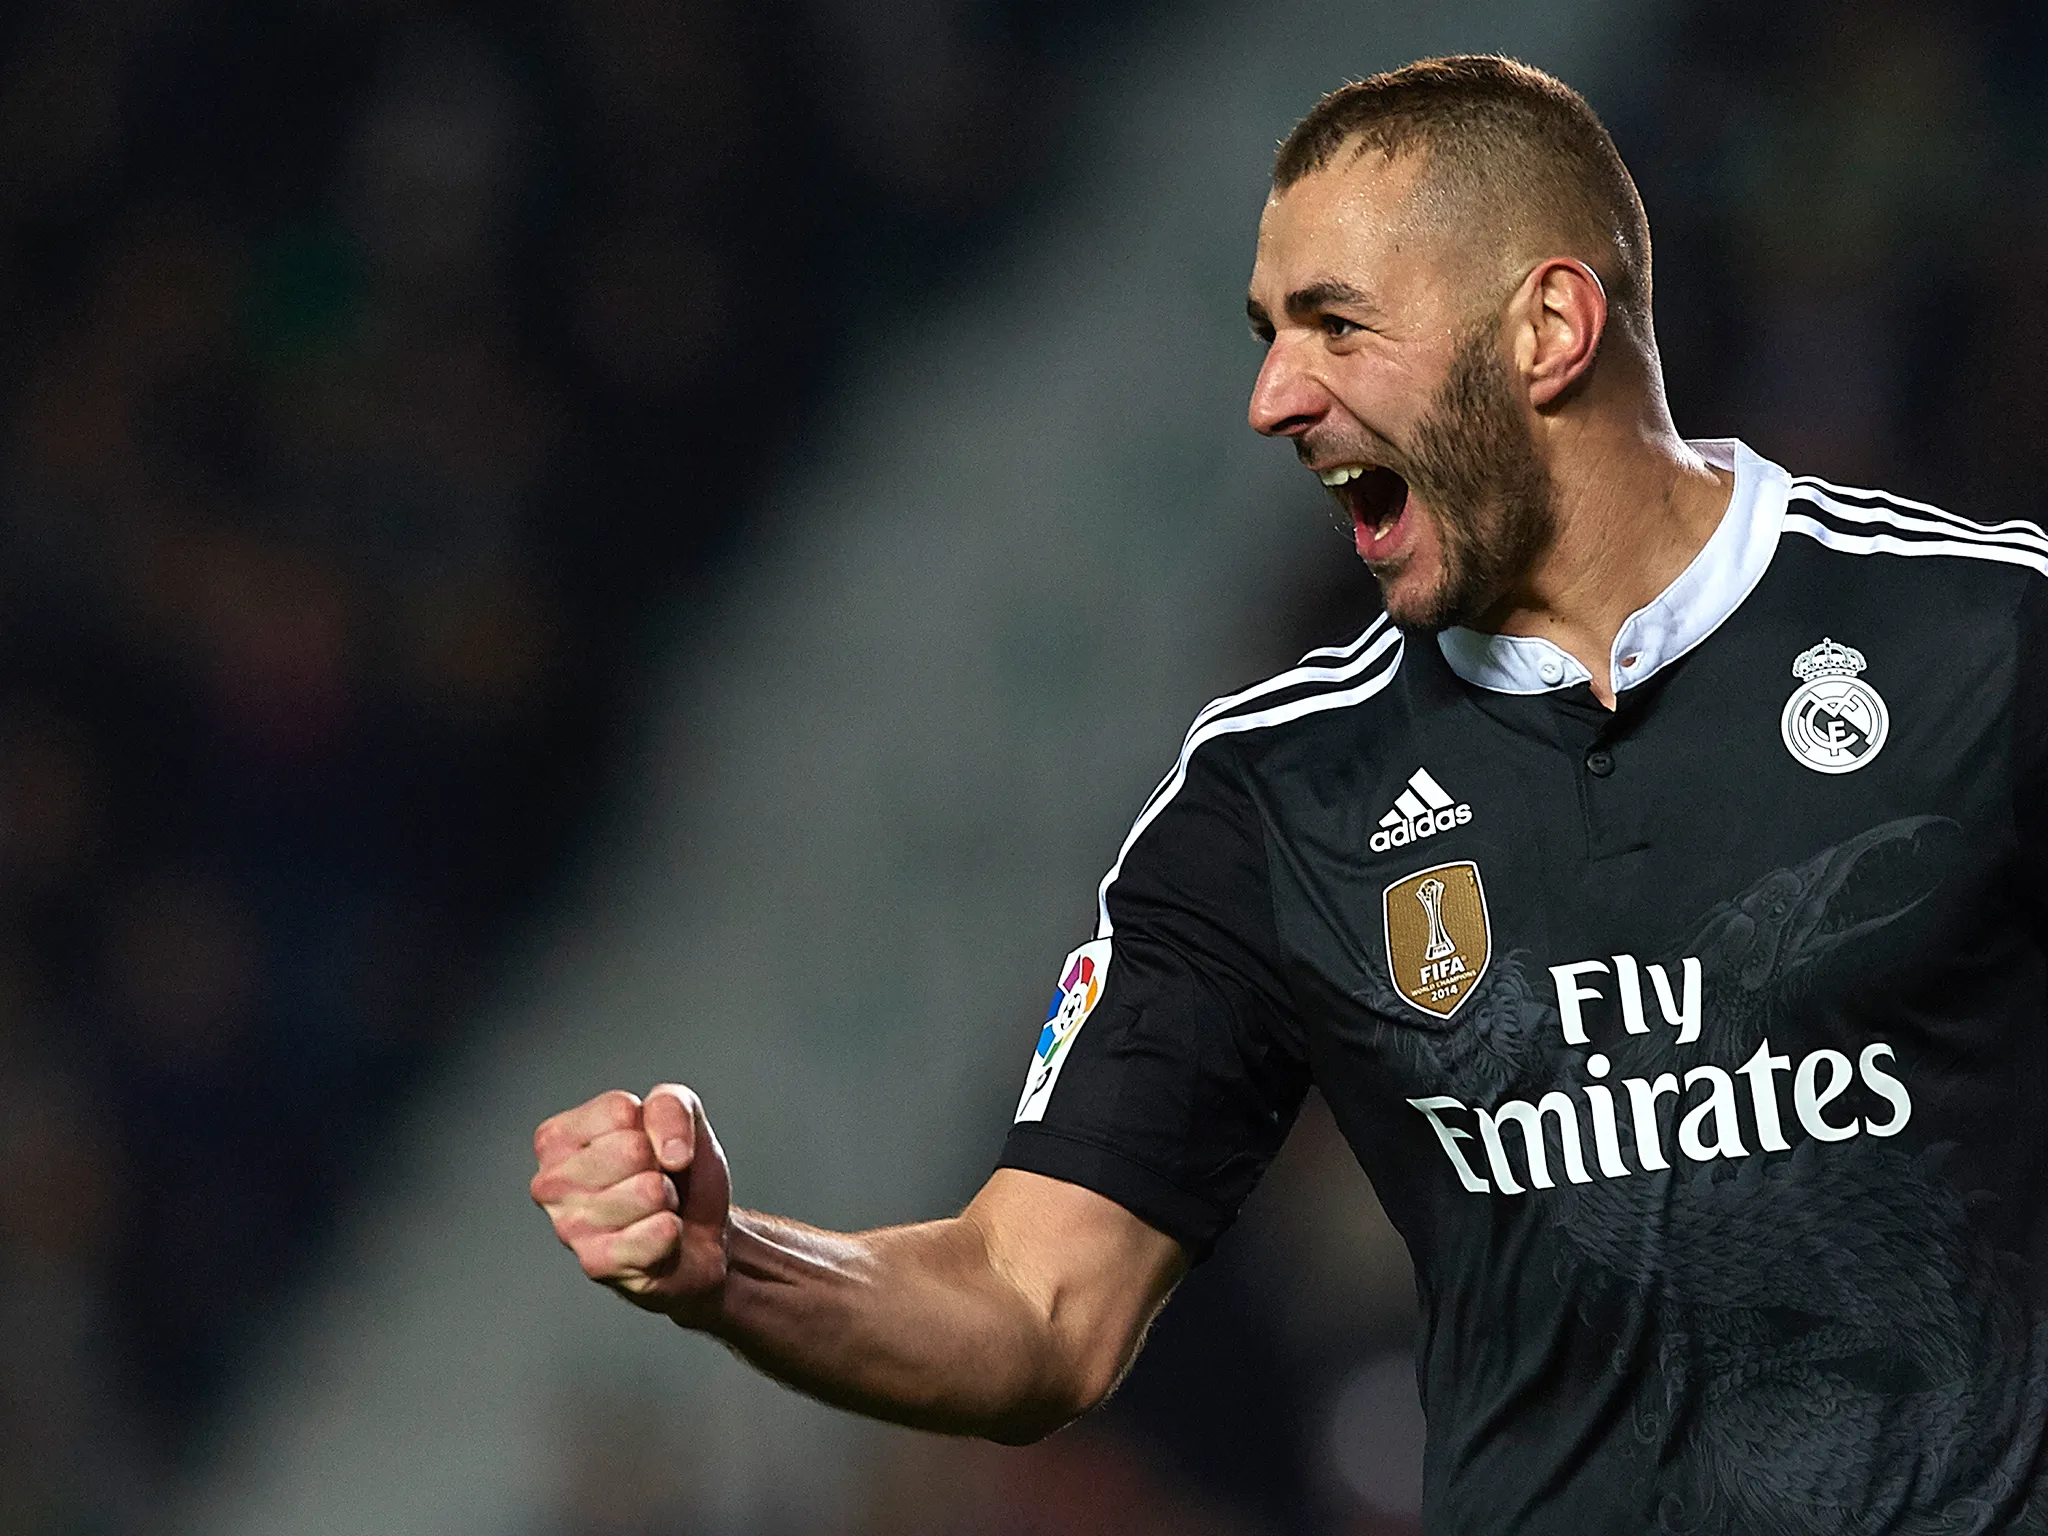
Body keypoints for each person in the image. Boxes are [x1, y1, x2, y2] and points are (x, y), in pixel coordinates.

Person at [531, 54, 2048, 1533]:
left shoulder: (1988, 650)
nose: (1271, 397)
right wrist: (735, 1266)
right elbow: (1038, 1304)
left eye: (1335, 326)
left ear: (1551, 327)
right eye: (1266, 331)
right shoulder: (1278, 796)